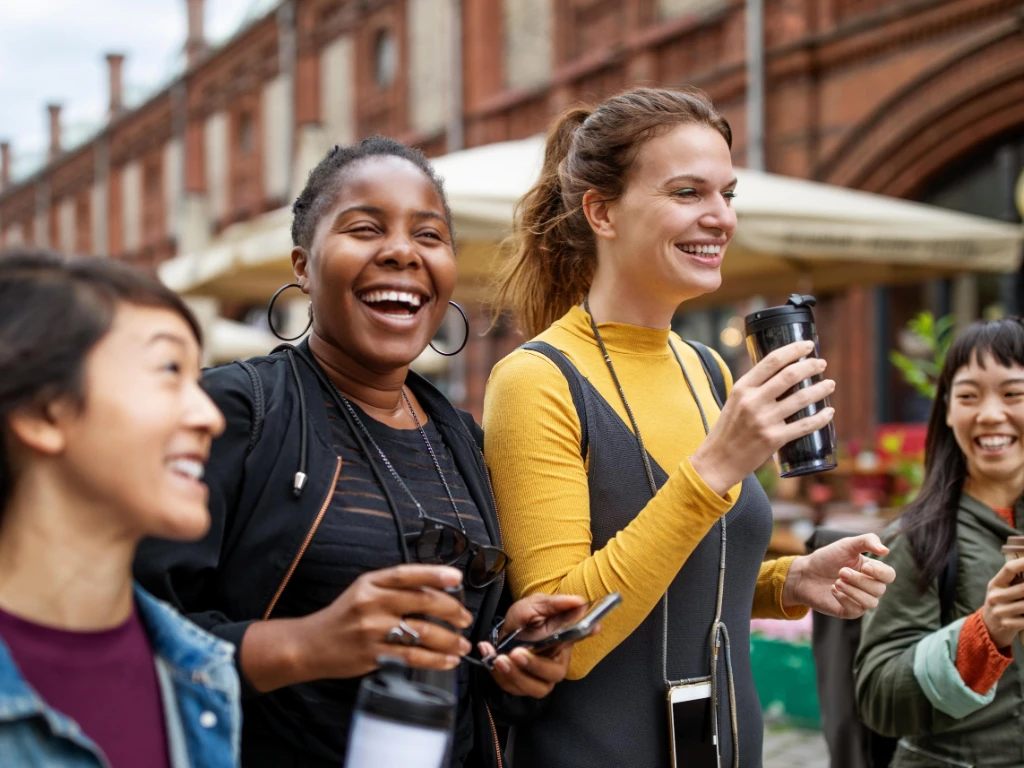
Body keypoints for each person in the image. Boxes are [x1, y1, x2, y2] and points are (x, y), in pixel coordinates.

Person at [135, 137, 583, 768]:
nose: (402, 251)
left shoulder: (461, 440)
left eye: (429, 236)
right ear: (302, 265)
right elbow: (127, 638)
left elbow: (461, 668)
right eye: (365, 228)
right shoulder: (234, 411)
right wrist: (309, 644)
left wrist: (513, 663)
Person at [483, 86, 896, 768]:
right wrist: (714, 469)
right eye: (688, 193)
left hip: (729, 747)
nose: (721, 218)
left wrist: (789, 582)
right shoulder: (537, 380)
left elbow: (694, 564)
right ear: (601, 211)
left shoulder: (705, 367)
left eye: (728, 194)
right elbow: (565, 638)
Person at [0, 250, 238, 767]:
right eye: (169, 370)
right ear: (44, 412)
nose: (210, 416)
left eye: (199, 379)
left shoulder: (202, 673)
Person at [856, 317, 1024, 768]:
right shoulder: (915, 539)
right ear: (947, 411)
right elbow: (878, 700)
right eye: (969, 396)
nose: (990, 414)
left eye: (1013, 393)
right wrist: (985, 632)